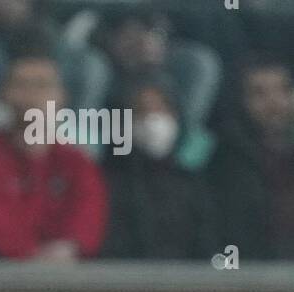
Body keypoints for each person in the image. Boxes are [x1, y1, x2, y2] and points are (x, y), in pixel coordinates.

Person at [0, 52, 108, 260]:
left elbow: (88, 219)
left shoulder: (78, 163)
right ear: (3, 94)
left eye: (42, 85)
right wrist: (31, 257)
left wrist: (65, 251)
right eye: (21, 85)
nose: (31, 95)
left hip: (69, 276)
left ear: (62, 96)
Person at [103, 78, 217, 260]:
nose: (152, 119)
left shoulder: (192, 184)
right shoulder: (111, 184)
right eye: (141, 111)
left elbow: (208, 245)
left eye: (161, 109)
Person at [211, 56, 294, 261]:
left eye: (283, 91)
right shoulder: (225, 159)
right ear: (242, 100)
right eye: (259, 93)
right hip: (248, 276)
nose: (274, 102)